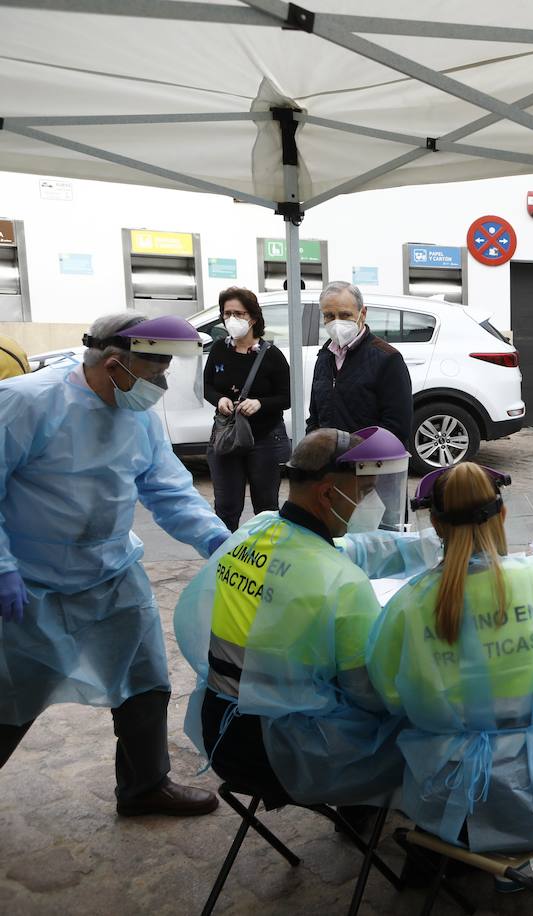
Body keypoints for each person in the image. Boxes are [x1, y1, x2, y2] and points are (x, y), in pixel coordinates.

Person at [363, 463, 533, 915]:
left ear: (436, 525)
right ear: (502, 516)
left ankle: (502, 867)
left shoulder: (409, 602)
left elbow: (389, 692)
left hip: (443, 800)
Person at [0, 313, 229, 816]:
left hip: (112, 572)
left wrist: (215, 538)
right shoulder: (28, 402)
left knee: (145, 679)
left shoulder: (138, 414)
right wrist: (1, 566)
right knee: (11, 697)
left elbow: (166, 488)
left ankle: (145, 786)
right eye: (154, 373)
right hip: (32, 583)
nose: (160, 385)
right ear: (112, 364)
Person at [173, 427, 408, 810]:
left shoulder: (255, 529)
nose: (369, 504)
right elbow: (369, 695)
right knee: (418, 730)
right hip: (286, 753)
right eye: (364, 493)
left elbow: (351, 548)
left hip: (219, 730)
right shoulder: (345, 584)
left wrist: (425, 546)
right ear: (328, 492)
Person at [307, 280, 413, 528]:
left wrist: (355, 456)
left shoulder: (387, 359)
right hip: (334, 476)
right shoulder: (324, 358)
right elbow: (316, 416)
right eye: (329, 316)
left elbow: (397, 427)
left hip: (377, 477)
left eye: (345, 315)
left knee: (383, 543)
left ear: (362, 313)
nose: (336, 322)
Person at [204, 286, 292, 531]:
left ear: (253, 318)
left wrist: (260, 403)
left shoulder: (272, 355)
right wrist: (219, 399)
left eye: (239, 314)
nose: (232, 318)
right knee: (226, 507)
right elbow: (207, 386)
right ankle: (226, 558)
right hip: (227, 436)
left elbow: (286, 397)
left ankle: (263, 560)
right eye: (227, 313)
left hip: (265, 438)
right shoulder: (219, 350)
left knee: (265, 509)